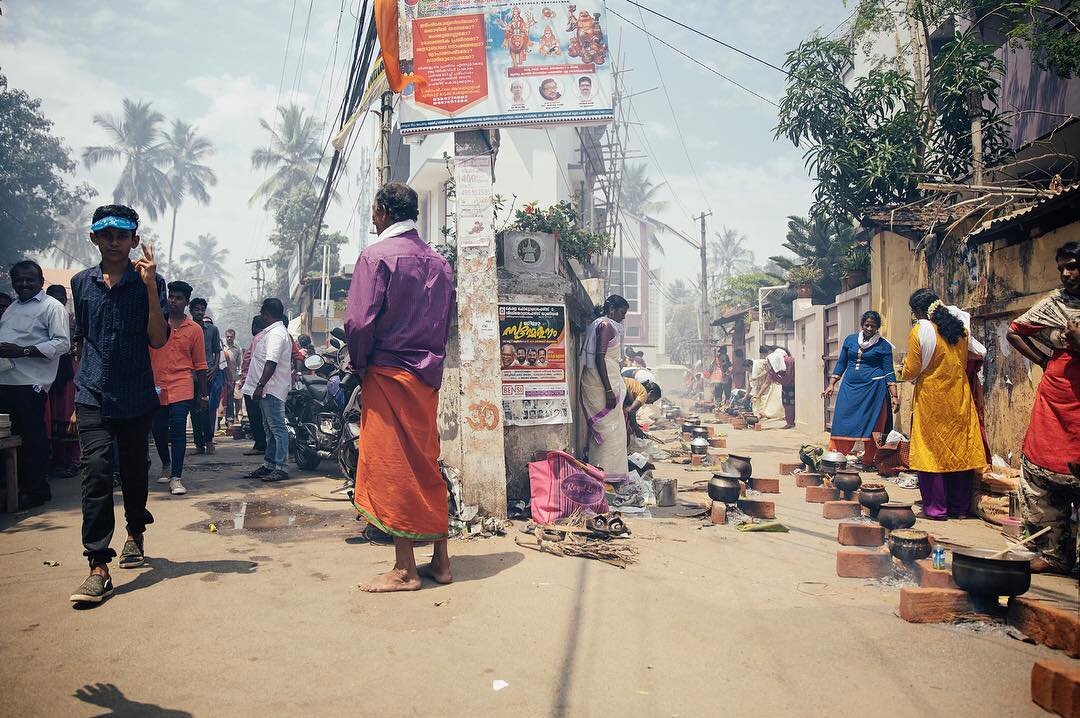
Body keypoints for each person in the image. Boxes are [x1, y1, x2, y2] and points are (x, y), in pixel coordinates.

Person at [343, 181, 455, 593]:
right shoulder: (440, 263)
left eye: (374, 211)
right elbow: (445, 325)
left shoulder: (375, 257)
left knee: (393, 468)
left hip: (388, 372)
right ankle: (441, 562)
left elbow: (358, 323)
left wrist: (359, 364)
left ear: (383, 211)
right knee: (426, 463)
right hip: (425, 378)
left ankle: (405, 569)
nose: (373, 218)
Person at [69, 204, 168, 604]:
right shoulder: (80, 283)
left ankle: (135, 532)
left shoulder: (150, 282)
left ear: (134, 240)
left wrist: (148, 285)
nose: (114, 242)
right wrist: (78, 397)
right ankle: (97, 564)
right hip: (92, 392)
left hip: (135, 394)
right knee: (95, 473)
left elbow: (158, 340)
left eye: (122, 235)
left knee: (133, 472)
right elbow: (85, 340)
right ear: (93, 238)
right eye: (106, 234)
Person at [1007, 241, 1080, 574]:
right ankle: (1054, 555)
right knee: (1041, 471)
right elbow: (1015, 332)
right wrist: (1043, 359)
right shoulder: (1054, 304)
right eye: (1062, 267)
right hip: (1055, 396)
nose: (1067, 273)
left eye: (1074, 266)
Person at [897, 288, 987, 520]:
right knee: (959, 451)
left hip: (931, 400)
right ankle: (959, 508)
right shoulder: (960, 329)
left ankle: (937, 508)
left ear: (919, 310)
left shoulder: (920, 330)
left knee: (930, 452)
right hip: (959, 397)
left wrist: (903, 370)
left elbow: (911, 370)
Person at [0, 260, 71, 509]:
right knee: (7, 439)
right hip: (5, 381)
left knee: (32, 438)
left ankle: (37, 490)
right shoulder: (12, 308)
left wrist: (24, 351)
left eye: (30, 279)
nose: (24, 284)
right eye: (19, 279)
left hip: (31, 384)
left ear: (41, 281)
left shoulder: (52, 307)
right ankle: (12, 488)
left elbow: (62, 343)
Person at [149, 281, 208, 496]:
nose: (173, 301)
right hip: (155, 385)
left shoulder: (194, 330)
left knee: (178, 430)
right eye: (171, 296)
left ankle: (176, 476)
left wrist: (204, 394)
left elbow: (201, 364)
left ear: (186, 302)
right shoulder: (155, 322)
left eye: (179, 298)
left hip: (182, 384)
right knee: (158, 429)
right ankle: (165, 462)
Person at [823, 311, 898, 468]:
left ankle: (868, 460)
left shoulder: (883, 345)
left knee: (874, 425)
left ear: (878, 327)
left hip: (874, 390)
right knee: (842, 420)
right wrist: (831, 384)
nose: (870, 328)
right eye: (867, 325)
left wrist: (895, 396)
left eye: (873, 326)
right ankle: (835, 457)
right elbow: (841, 363)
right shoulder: (850, 340)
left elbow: (889, 371)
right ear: (862, 325)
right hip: (849, 388)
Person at [241, 299, 293, 483]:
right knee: (269, 429)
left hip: (272, 388)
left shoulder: (276, 334)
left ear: (266, 314)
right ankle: (270, 464)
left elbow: (271, 362)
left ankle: (281, 467)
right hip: (267, 388)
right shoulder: (271, 333)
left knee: (277, 428)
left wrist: (260, 385)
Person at [580, 295, 630, 476]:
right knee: (610, 432)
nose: (623, 317)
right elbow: (600, 357)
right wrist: (608, 390)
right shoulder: (605, 325)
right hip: (601, 384)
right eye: (622, 313)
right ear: (611, 310)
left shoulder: (603, 324)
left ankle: (605, 473)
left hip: (606, 380)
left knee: (614, 431)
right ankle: (606, 474)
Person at [44, 284, 80, 476]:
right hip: (46, 370)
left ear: (65, 300)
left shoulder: (71, 320)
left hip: (67, 369)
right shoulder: (43, 316)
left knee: (68, 415)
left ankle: (74, 460)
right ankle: (57, 459)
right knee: (53, 415)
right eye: (54, 297)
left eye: (61, 297)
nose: (58, 301)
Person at [188, 298, 221, 455]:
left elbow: (217, 350)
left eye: (202, 309)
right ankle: (198, 444)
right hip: (190, 375)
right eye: (197, 309)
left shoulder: (212, 330)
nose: (200, 312)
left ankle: (208, 441)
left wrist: (214, 367)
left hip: (206, 374)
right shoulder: (186, 329)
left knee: (206, 408)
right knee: (194, 410)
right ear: (191, 311)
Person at [241, 315, 268, 456]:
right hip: (255, 382)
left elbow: (255, 363)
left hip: (254, 383)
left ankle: (260, 444)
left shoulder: (259, 339)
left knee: (255, 416)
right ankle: (261, 443)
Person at [749, 346, 785, 426]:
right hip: (771, 386)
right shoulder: (771, 368)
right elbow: (767, 373)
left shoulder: (766, 362)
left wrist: (756, 378)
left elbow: (767, 372)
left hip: (775, 387)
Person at [766, 345, 796, 428]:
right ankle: (791, 422)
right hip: (792, 386)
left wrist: (758, 395)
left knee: (788, 404)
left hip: (788, 387)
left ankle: (790, 422)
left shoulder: (778, 363)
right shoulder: (791, 360)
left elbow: (767, 381)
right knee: (790, 404)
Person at [623, 377, 661, 442]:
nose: (651, 403)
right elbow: (630, 410)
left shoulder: (638, 387)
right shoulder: (644, 394)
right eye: (653, 399)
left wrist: (635, 425)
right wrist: (637, 430)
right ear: (650, 392)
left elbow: (631, 410)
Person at [222, 328, 241, 425]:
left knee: (230, 399)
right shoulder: (221, 347)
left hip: (232, 378)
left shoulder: (237, 349)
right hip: (221, 376)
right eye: (227, 337)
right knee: (220, 399)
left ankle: (229, 419)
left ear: (234, 337)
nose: (229, 338)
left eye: (231, 337)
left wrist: (238, 379)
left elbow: (239, 365)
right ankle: (218, 420)